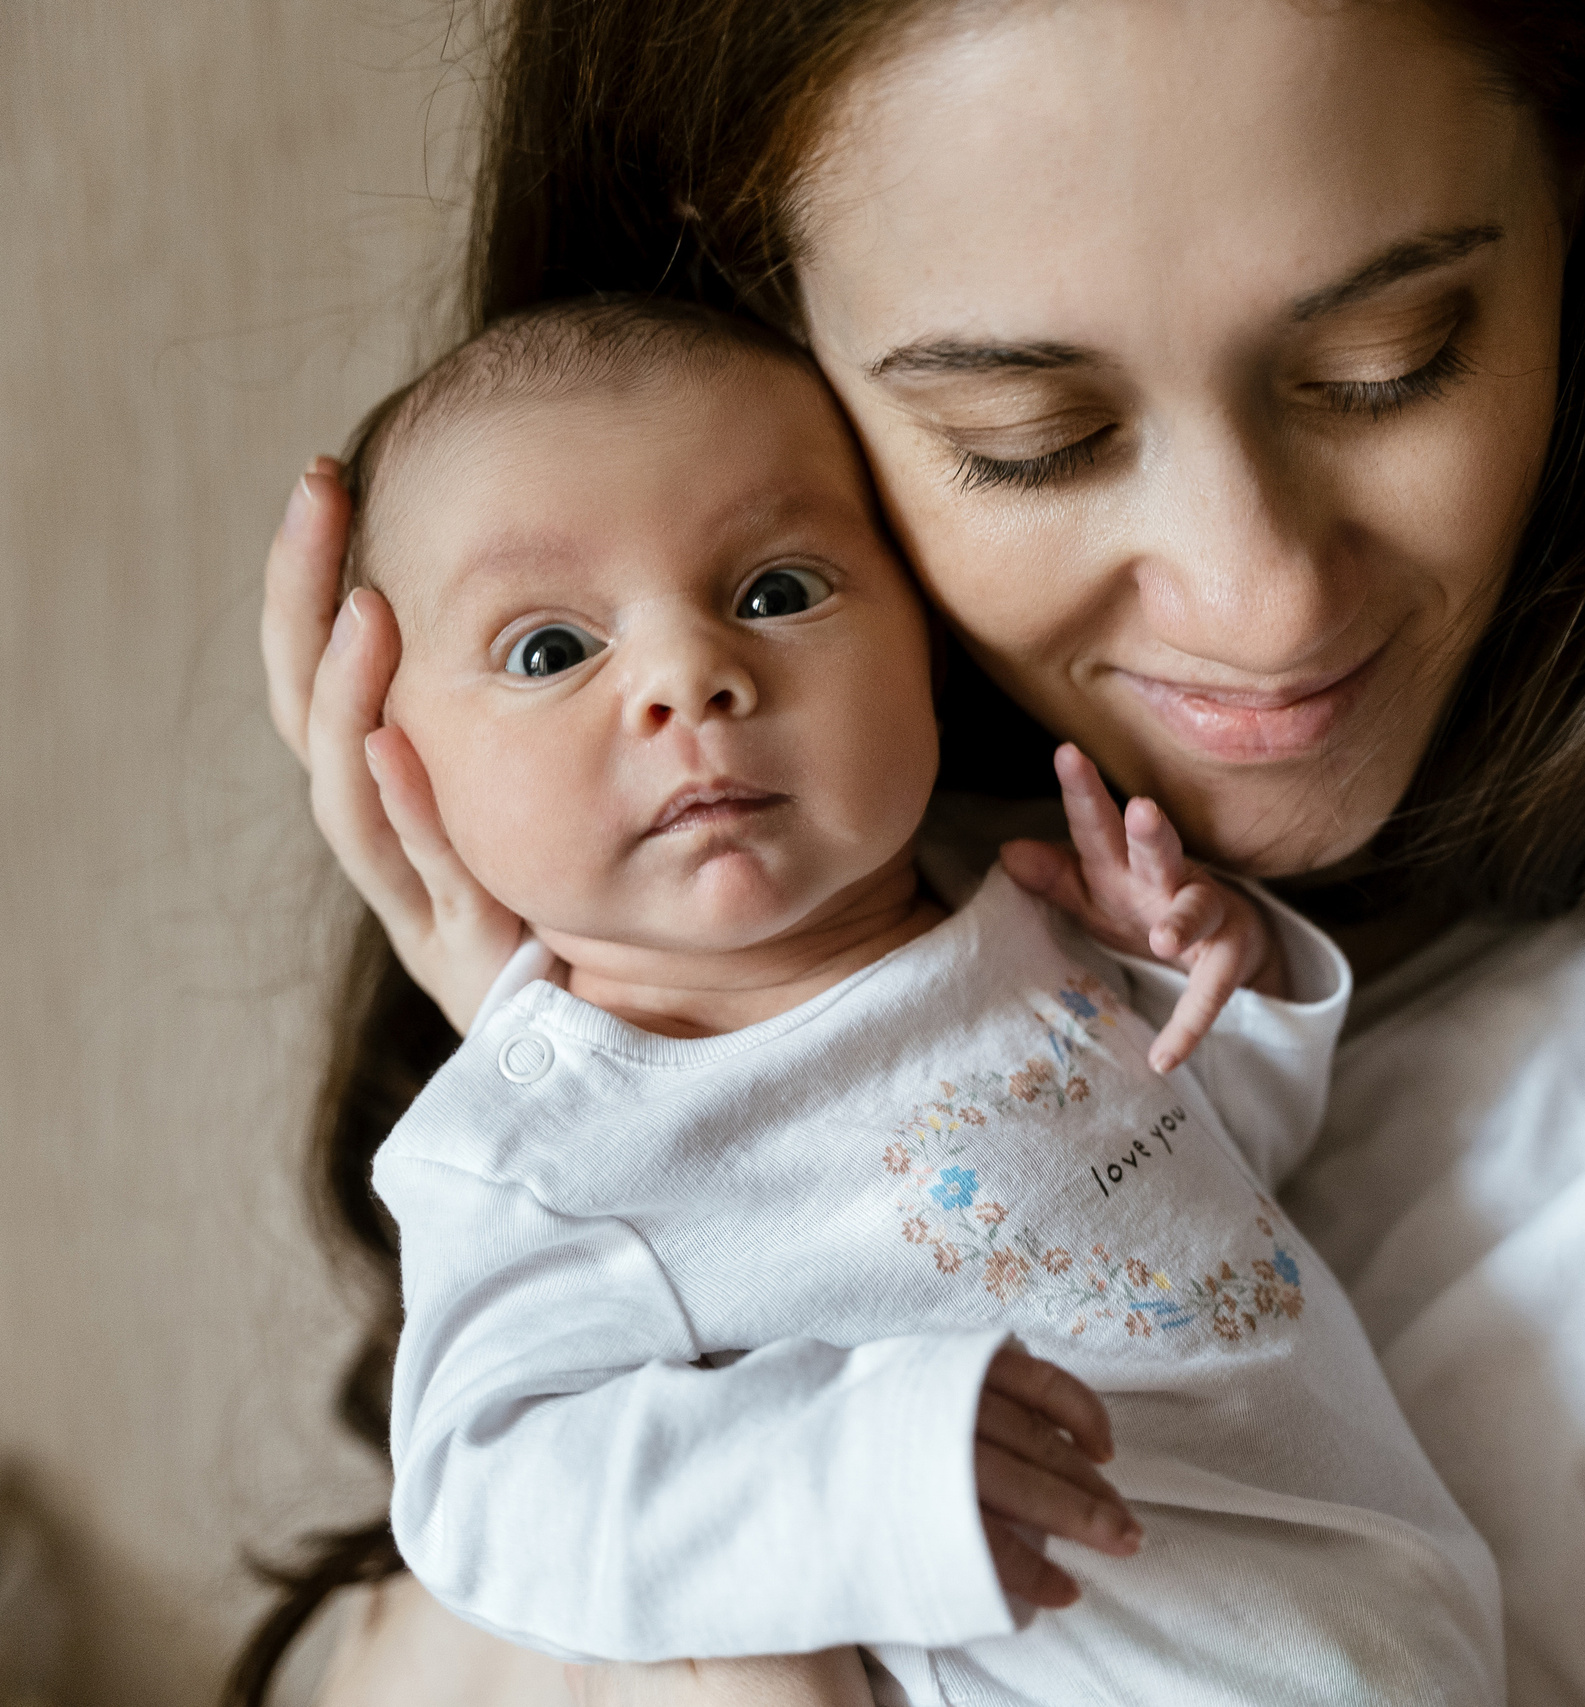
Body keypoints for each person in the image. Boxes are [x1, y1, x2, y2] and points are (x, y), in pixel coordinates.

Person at [240, 2, 1585, 1704]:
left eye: (1389, 362)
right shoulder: (574, 1116)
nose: (1261, 594)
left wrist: (1206, 982)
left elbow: (1154, 1185)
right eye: (1029, 433)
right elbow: (506, 1506)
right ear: (749, 334)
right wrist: (582, 1030)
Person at [338, 293, 1503, 1706]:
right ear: (399, 770)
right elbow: (484, 1502)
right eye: (549, 650)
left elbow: (1224, 1191)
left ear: (927, 644)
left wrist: (1213, 973)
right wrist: (859, 1470)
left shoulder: (1026, 909)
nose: (690, 678)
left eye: (778, 592)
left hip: (1396, 1639)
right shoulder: (544, 1149)